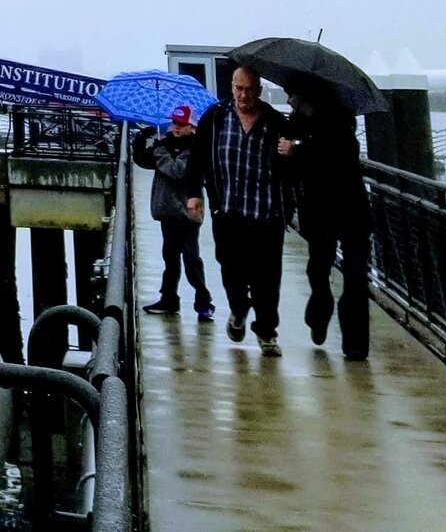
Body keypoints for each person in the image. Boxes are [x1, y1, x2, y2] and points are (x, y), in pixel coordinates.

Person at [198, 65, 293, 354]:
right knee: (232, 271)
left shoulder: (276, 122)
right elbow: (198, 158)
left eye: (250, 89)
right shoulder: (214, 118)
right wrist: (194, 195)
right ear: (231, 87)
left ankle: (267, 332)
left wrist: (293, 150)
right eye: (239, 88)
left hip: (266, 213)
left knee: (267, 278)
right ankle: (238, 310)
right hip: (228, 211)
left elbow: (296, 166)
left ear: (259, 91)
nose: (244, 95)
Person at [280, 84, 372, 360]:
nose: (290, 100)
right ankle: (320, 310)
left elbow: (338, 155)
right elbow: (290, 167)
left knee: (356, 277)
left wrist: (298, 149)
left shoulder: (341, 122)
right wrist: (288, 152)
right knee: (318, 269)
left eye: (293, 95)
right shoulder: (296, 124)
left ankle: (355, 344)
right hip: (318, 211)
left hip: (351, 209)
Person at [133, 104, 214, 318]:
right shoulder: (165, 143)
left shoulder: (196, 148)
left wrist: (160, 151)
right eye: (174, 122)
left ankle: (203, 301)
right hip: (167, 211)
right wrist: (141, 138)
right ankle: (169, 299)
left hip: (188, 212)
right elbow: (142, 160)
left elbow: (178, 170)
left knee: (191, 258)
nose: (176, 127)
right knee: (170, 258)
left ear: (192, 126)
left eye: (182, 124)